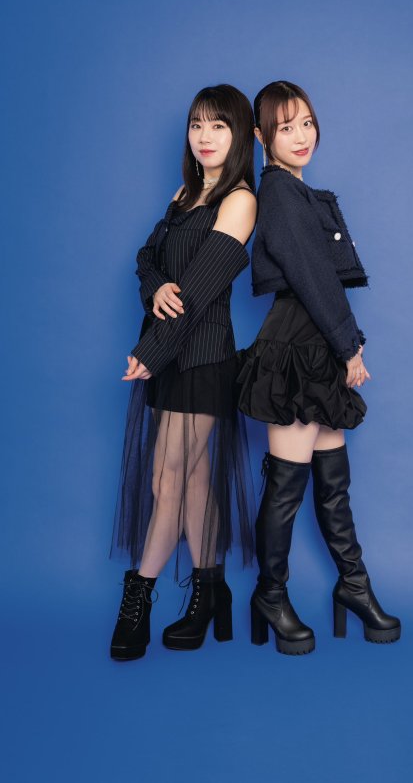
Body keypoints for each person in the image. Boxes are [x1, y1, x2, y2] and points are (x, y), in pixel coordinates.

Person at [237, 80, 401, 655]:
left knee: (333, 484)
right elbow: (311, 278)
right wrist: (351, 347)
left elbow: (323, 281)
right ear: (262, 137)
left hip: (316, 348)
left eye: (306, 122)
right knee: (287, 487)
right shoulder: (280, 193)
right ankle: (270, 594)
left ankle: (354, 585)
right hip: (294, 351)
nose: (301, 135)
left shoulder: (298, 192)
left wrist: (342, 346)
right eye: (286, 127)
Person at [109, 84, 257, 660]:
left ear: (239, 135)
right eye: (197, 124)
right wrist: (154, 288)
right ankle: (210, 593)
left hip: (202, 358)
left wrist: (149, 350)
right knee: (191, 483)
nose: (204, 136)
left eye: (218, 125)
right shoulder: (185, 193)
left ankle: (138, 597)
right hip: (171, 356)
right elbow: (146, 259)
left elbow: (195, 296)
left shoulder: (240, 201)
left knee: (167, 482)